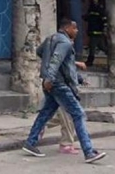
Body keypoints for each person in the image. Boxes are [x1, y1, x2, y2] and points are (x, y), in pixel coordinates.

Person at [22, 18, 107, 164]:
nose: (77, 31)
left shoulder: (51, 39)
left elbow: (41, 52)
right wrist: (50, 78)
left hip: (50, 82)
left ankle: (31, 142)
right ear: (67, 28)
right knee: (78, 114)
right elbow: (56, 60)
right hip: (59, 84)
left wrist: (76, 78)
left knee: (46, 113)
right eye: (75, 28)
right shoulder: (65, 43)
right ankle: (88, 151)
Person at [83, 0, 109, 67]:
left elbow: (104, 19)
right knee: (101, 47)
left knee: (92, 47)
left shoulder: (99, 8)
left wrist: (104, 28)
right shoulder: (90, 8)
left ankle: (89, 62)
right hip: (92, 31)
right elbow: (90, 18)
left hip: (98, 31)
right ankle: (111, 54)